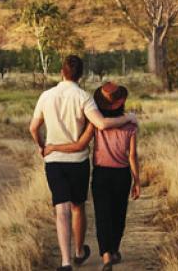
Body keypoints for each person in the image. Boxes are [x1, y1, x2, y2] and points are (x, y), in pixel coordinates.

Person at [28, 55, 136, 271]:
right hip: (78, 162)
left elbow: (33, 128)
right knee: (78, 207)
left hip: (54, 161)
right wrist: (128, 118)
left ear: (62, 71)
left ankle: (66, 261)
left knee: (61, 209)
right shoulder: (84, 97)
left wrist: (42, 146)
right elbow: (102, 124)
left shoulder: (46, 96)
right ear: (81, 74)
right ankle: (79, 251)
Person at [46, 82, 141, 269]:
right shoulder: (130, 125)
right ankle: (113, 250)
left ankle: (105, 256)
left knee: (102, 215)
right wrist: (137, 181)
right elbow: (132, 156)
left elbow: (80, 145)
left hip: (101, 174)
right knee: (118, 214)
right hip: (122, 175)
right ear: (121, 102)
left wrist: (54, 147)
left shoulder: (96, 125)